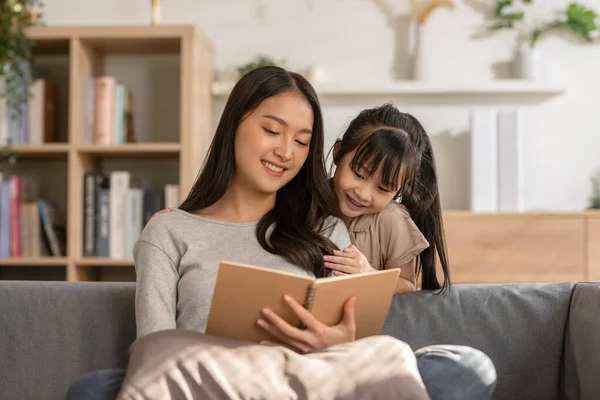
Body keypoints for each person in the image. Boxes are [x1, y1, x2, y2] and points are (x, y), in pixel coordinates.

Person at [65, 67, 496, 400]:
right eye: (272, 130)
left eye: (303, 140)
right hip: (216, 386)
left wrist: (338, 341)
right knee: (96, 389)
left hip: (310, 382)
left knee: (464, 365)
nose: (286, 152)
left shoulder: (326, 228)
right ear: (234, 123)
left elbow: (355, 346)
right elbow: (155, 351)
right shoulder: (168, 230)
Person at [322, 103, 450, 294]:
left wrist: (368, 274)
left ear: (398, 190)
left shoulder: (392, 220)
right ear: (338, 152)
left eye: (383, 188)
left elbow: (407, 285)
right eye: (358, 174)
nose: (363, 194)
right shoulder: (309, 200)